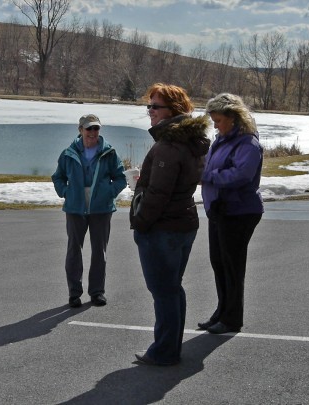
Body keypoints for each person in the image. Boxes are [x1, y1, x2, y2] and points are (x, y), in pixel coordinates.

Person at [130, 83, 210, 366]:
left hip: (164, 228)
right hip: (184, 222)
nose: (149, 111)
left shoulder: (169, 145)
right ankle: (170, 347)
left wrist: (140, 223)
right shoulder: (189, 141)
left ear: (172, 110)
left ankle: (164, 351)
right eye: (148, 106)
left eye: (155, 106)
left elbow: (159, 195)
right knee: (172, 288)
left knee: (164, 291)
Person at [198, 92, 263, 334]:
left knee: (232, 266)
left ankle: (232, 318)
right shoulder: (221, 140)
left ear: (234, 118)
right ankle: (222, 312)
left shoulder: (248, 143)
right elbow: (213, 166)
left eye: (219, 121)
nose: (215, 125)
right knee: (219, 263)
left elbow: (241, 175)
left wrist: (206, 176)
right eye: (214, 121)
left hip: (239, 211)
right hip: (220, 210)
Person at [52, 114, 127, 308]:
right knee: (73, 251)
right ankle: (74, 293)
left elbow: (120, 178)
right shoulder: (68, 153)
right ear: (80, 130)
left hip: (101, 209)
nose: (93, 133)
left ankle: (97, 292)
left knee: (99, 252)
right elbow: (58, 177)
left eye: (96, 129)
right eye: (89, 129)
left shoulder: (109, 152)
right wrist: (65, 192)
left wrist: (108, 193)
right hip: (75, 208)